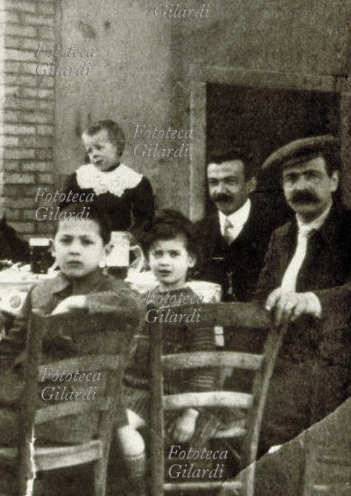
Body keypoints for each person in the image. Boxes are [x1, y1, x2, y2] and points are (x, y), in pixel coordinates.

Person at [0, 204, 142, 447]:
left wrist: (81, 301)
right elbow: (11, 347)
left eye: (87, 242)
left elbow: (137, 305)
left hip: (83, 410)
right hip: (38, 400)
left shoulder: (115, 291)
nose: (75, 250)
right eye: (66, 241)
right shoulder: (41, 291)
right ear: (52, 246)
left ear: (106, 251)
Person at [254, 135, 351, 452]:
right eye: (291, 178)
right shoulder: (281, 236)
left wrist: (311, 300)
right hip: (281, 371)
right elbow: (260, 299)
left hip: (338, 375)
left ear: (334, 180)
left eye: (312, 175)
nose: (301, 186)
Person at [117, 211, 215, 494]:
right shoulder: (146, 299)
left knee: (117, 422)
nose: (164, 261)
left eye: (174, 254)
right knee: (100, 414)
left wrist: (191, 414)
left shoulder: (194, 307)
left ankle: (141, 485)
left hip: (169, 398)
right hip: (137, 389)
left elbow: (205, 364)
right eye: (157, 253)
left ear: (191, 260)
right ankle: (127, 479)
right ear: (147, 257)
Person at [193, 148, 284, 302]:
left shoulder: (275, 229)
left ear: (251, 185)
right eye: (213, 182)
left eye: (230, 181)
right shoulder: (197, 231)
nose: (220, 190)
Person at [61, 120, 154, 235]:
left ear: (117, 147)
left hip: (118, 241)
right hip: (87, 238)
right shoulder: (80, 178)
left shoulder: (134, 181)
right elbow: (65, 213)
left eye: (99, 148)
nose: (94, 154)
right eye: (89, 151)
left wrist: (132, 236)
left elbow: (144, 221)